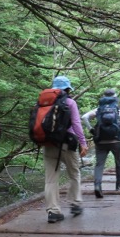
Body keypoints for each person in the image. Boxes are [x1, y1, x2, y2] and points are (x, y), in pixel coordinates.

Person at [43, 76, 88, 223]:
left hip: (49, 144)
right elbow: (76, 123)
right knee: (74, 174)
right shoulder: (70, 102)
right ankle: (75, 203)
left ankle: (53, 211)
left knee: (50, 180)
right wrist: (83, 143)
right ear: (68, 89)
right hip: (68, 144)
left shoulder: (44, 102)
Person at [81, 88, 120, 197]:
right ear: (114, 97)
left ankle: (97, 185)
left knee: (99, 164)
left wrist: (91, 130)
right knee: (119, 162)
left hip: (101, 141)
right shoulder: (117, 110)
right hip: (116, 140)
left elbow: (84, 117)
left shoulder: (98, 109)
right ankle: (119, 185)